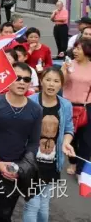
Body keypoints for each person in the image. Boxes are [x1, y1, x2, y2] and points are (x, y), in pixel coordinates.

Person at [0, 62, 42, 222]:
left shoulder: (36, 110)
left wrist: (20, 168)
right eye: (17, 77)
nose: (22, 82)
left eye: (26, 79)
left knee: (5, 215)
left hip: (15, 171)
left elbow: (34, 143)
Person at [23, 67, 75, 222]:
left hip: (52, 162)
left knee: (44, 204)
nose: (51, 84)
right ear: (41, 81)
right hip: (31, 162)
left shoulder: (65, 105)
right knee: (32, 205)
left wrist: (66, 143)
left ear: (61, 84)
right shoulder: (31, 101)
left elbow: (68, 129)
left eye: (56, 81)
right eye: (48, 80)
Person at [61, 38, 91, 176]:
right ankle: (73, 162)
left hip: (87, 106)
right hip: (68, 105)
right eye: (75, 48)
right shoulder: (68, 64)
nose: (75, 51)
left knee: (86, 140)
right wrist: (65, 71)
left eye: (79, 49)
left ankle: (81, 170)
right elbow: (61, 83)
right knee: (70, 137)